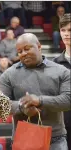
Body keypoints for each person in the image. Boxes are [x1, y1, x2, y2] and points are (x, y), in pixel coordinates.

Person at [0, 33, 70, 150]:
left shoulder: (61, 71)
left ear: (39, 46)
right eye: (19, 51)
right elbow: (0, 105)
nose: (23, 54)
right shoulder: (8, 75)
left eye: (27, 49)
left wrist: (39, 100)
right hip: (23, 138)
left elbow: (68, 99)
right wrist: (22, 107)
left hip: (56, 139)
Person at [53, 13, 71, 150]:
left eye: (70, 30)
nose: (66, 34)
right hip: (64, 125)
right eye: (63, 30)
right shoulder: (55, 65)